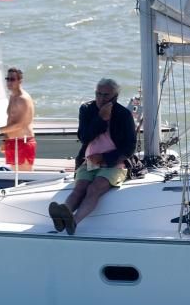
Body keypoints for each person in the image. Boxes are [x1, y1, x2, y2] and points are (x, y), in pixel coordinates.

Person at [48, 78, 137, 236]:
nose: (101, 98)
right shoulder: (87, 109)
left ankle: (73, 222)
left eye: (105, 95)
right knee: (80, 188)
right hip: (89, 160)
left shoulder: (124, 115)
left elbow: (129, 148)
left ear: (114, 97)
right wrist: (100, 119)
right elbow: (84, 137)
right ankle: (63, 214)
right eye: (98, 94)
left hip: (115, 163)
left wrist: (104, 158)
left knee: (94, 188)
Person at [0, 67, 36, 171]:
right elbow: (10, 120)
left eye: (12, 79)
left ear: (20, 81)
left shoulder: (23, 99)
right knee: (15, 176)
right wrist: (5, 139)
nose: (9, 82)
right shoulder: (12, 97)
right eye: (7, 79)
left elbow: (20, 124)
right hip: (12, 141)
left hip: (23, 141)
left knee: (25, 177)